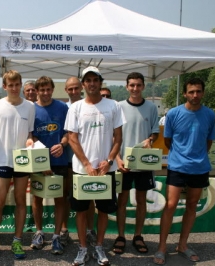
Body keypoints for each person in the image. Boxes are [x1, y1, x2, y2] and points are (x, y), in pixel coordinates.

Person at [65, 66, 125, 266]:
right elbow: (72, 138)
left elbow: (118, 138)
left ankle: (99, 246)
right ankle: (83, 248)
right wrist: (86, 164)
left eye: (95, 80)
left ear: (100, 82)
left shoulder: (114, 106)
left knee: (103, 210)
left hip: (105, 170)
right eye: (88, 80)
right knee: (81, 211)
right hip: (82, 171)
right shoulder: (76, 107)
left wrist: (108, 161)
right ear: (83, 85)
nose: (92, 83)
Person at [153, 78, 215, 265]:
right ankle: (162, 247)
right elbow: (168, 142)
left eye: (198, 91)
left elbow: (208, 141)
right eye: (191, 92)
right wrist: (182, 156)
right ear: (185, 93)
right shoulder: (173, 113)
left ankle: (182, 245)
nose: (195, 95)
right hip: (178, 166)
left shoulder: (210, 114)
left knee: (192, 205)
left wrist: (197, 156)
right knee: (170, 205)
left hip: (200, 167)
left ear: (203, 93)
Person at [0, 70, 35, 259]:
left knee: (21, 201)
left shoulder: (30, 106)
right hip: (2, 162)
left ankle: (17, 241)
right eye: (11, 85)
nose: (15, 88)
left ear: (21, 85)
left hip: (23, 162)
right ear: (4, 86)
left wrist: (30, 141)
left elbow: (29, 134)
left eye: (17, 84)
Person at [114, 72, 159, 254]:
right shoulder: (119, 107)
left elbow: (155, 132)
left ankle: (138, 236)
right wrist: (117, 158)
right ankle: (121, 236)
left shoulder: (151, 107)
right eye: (131, 85)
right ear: (126, 86)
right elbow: (114, 136)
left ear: (143, 87)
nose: (135, 88)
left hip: (143, 163)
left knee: (141, 200)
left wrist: (150, 139)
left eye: (138, 85)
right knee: (122, 201)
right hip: (124, 162)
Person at [30, 76, 69, 255]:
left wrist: (62, 144)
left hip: (60, 161)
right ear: (37, 91)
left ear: (53, 90)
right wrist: (40, 150)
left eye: (48, 89)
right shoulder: (31, 109)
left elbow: (70, 133)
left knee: (59, 198)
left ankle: (56, 236)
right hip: (39, 162)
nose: (45, 93)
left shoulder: (62, 108)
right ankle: (39, 233)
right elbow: (30, 135)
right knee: (37, 197)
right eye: (42, 90)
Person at [62, 77, 97, 248]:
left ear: (81, 88)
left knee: (88, 198)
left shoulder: (89, 105)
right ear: (66, 90)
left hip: (86, 163)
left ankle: (89, 230)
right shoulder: (64, 108)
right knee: (66, 197)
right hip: (67, 162)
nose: (74, 92)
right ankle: (64, 230)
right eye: (71, 89)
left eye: (77, 88)